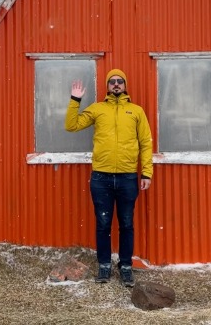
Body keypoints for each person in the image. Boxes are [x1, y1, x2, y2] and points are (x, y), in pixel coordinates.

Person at [65, 68, 152, 287]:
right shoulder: (97, 109)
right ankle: (104, 266)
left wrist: (147, 173)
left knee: (126, 223)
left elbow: (146, 143)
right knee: (103, 223)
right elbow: (71, 125)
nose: (115, 84)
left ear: (125, 85)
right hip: (101, 177)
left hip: (127, 177)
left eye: (119, 81)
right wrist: (75, 99)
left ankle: (125, 267)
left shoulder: (136, 111)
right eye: (112, 81)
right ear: (107, 85)